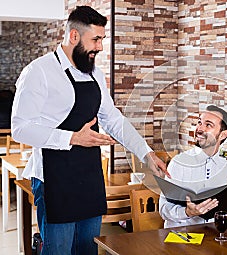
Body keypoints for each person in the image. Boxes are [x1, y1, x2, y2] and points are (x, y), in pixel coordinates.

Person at [11, 6, 168, 255]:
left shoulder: (94, 72)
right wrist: (73, 138)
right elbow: (20, 129)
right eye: (95, 39)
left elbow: (113, 118)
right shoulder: (38, 72)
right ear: (74, 36)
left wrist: (146, 153)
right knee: (58, 251)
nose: (100, 47)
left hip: (89, 176)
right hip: (54, 179)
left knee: (88, 249)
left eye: (102, 39)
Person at [159, 105, 227, 227]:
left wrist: (218, 206)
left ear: (223, 135)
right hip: (181, 238)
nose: (200, 128)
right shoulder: (178, 163)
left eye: (208, 125)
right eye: (199, 122)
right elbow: (163, 208)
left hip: (213, 235)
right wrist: (187, 212)